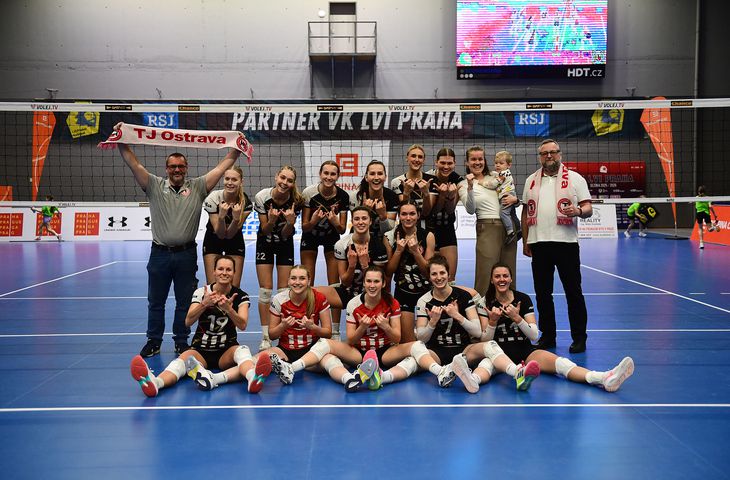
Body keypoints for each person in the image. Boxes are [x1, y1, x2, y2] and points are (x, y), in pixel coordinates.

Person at [116, 123, 242, 357]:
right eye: (173, 166)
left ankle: (181, 340)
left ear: (186, 168)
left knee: (185, 301)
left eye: (181, 166)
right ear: (166, 169)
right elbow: (134, 163)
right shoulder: (154, 185)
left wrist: (236, 148)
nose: (177, 170)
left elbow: (221, 167)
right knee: (156, 301)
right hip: (159, 254)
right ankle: (154, 341)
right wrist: (121, 140)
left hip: (186, 254)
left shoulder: (198, 186)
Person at [450, 262, 634, 394]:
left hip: (525, 351)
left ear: (511, 278)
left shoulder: (523, 299)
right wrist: (492, 321)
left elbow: (534, 335)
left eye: (505, 276)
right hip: (498, 353)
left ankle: (604, 378)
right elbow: (485, 340)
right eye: (497, 276)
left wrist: (517, 317)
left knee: (562, 364)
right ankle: (473, 381)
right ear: (491, 280)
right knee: (485, 366)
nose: (502, 279)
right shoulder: (484, 303)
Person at [272, 266, 456, 392]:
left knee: (416, 346)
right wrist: (362, 327)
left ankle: (437, 372)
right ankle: (292, 368)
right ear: (364, 283)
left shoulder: (392, 303)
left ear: (383, 284)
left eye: (376, 281)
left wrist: (385, 326)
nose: (372, 285)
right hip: (358, 352)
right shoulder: (354, 304)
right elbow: (351, 340)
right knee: (324, 343)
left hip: (386, 351)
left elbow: (397, 338)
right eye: (369, 281)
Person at [130, 255, 273, 396]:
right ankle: (156, 383)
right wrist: (204, 304)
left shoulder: (240, 296)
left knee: (243, 350)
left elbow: (242, 325)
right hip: (200, 351)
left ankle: (253, 377)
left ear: (234, 273)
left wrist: (229, 310)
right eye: (220, 269)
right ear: (214, 272)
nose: (224, 273)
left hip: (226, 351)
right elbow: (188, 321)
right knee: (181, 361)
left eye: (228, 269)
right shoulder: (201, 293)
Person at [521, 139, 592, 353]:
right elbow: (525, 212)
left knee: (573, 292)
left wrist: (578, 211)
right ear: (540, 157)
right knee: (543, 294)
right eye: (545, 153)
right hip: (539, 243)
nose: (549, 156)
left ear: (560, 154)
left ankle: (579, 337)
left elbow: (588, 208)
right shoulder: (531, 180)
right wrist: (526, 240)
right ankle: (548, 336)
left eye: (553, 152)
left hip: (566, 244)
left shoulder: (575, 179)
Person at [316, 206, 389, 340]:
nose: (360, 222)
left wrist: (365, 265)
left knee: (357, 339)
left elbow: (377, 283)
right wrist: (352, 265)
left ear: (370, 221)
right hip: (348, 292)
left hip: (370, 296)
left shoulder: (378, 246)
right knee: (311, 294)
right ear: (352, 222)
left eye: (364, 218)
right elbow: (344, 281)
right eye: (357, 219)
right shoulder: (342, 244)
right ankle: (325, 333)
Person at [254, 165, 305, 351]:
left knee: (284, 291)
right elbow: (265, 229)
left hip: (285, 244)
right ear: (276, 177)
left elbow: (285, 234)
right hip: (265, 243)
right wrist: (272, 220)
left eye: (289, 180)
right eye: (282, 178)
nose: (284, 183)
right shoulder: (262, 197)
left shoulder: (296, 201)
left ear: (293, 183)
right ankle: (266, 336)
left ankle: (283, 333)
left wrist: (290, 223)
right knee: (265, 291)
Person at [461, 146, 519, 295]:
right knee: (485, 275)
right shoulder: (463, 184)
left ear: (485, 160)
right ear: (467, 162)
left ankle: (510, 307)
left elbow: (510, 191)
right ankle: (482, 307)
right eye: (473, 159)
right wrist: (470, 187)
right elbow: (470, 209)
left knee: (508, 273)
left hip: (509, 227)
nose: (477, 162)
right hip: (487, 228)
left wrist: (516, 200)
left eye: (480, 159)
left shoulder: (496, 175)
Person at [415, 255, 484, 378]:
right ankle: (383, 377)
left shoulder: (463, 296)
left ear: (449, 275)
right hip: (436, 352)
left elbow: (477, 332)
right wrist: (432, 322)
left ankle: (475, 379)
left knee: (491, 347)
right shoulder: (423, 301)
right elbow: (421, 339)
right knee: (412, 358)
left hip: (464, 351)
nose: (439, 277)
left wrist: (457, 316)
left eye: (442, 273)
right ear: (429, 277)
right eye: (434, 274)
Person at [265, 265, 333, 383]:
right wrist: (282, 326)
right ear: (288, 281)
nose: (297, 282)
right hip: (285, 351)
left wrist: (313, 327)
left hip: (312, 351)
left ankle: (349, 380)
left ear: (309, 281)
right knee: (257, 359)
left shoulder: (319, 298)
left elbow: (328, 333)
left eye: (302, 278)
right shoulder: (278, 299)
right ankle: (251, 378)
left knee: (332, 362)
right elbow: (272, 335)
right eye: (293, 278)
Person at [384, 201, 436, 343]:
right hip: (403, 293)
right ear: (399, 216)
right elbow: (388, 272)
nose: (408, 218)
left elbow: (429, 273)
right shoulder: (389, 236)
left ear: (418, 215)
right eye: (404, 214)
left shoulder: (428, 236)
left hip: (426, 293)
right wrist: (398, 251)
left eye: (412, 214)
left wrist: (416, 253)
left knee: (429, 341)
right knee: (407, 343)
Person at [300, 160, 350, 286]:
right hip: (310, 236)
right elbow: (304, 227)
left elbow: (342, 230)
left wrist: (335, 222)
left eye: (333, 174)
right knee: (307, 282)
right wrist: (313, 221)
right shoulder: (308, 193)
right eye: (326, 173)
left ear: (338, 176)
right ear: (320, 174)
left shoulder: (343, 196)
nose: (329, 177)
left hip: (331, 236)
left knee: (334, 284)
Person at [202, 165, 252, 287]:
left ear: (241, 182)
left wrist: (236, 219)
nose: (230, 182)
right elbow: (220, 234)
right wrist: (221, 217)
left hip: (234, 239)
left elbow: (229, 235)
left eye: (234, 179)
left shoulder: (246, 203)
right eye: (227, 179)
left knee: (234, 287)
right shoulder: (213, 199)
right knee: (213, 285)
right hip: (213, 239)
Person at [426, 148, 464, 283]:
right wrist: (442, 196)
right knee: (428, 277)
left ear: (455, 163)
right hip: (429, 229)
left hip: (447, 228)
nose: (446, 167)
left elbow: (450, 209)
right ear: (436, 162)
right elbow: (432, 211)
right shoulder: (428, 178)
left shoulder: (458, 180)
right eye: (442, 163)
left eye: (450, 163)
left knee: (450, 278)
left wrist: (451, 196)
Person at [350, 160, 399, 237]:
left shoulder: (392, 196)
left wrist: (383, 217)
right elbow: (356, 228)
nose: (376, 177)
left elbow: (388, 232)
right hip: (360, 238)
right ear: (366, 177)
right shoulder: (356, 196)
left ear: (385, 177)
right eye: (372, 174)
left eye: (380, 174)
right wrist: (365, 212)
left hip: (382, 239)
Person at [390, 144, 434, 224]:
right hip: (406, 225)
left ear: (424, 160)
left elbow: (426, 212)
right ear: (407, 158)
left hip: (427, 226)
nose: (416, 159)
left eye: (420, 157)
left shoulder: (430, 180)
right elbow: (404, 210)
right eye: (413, 156)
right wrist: (406, 193)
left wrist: (426, 194)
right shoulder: (396, 182)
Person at [485, 150, 521, 244]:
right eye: (496, 163)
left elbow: (494, 184)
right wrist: (492, 173)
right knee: (512, 214)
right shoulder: (505, 173)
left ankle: (510, 232)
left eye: (501, 163)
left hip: (506, 196)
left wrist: (485, 184)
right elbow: (496, 174)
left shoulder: (503, 175)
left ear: (509, 165)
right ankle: (519, 230)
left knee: (503, 213)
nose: (498, 165)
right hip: (511, 194)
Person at [695, 185, 719, 249]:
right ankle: (713, 227)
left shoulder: (696, 197)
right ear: (705, 192)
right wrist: (714, 214)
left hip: (699, 213)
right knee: (709, 229)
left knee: (700, 228)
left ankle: (701, 243)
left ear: (698, 192)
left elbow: (691, 201)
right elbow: (710, 207)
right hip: (706, 213)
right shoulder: (708, 198)